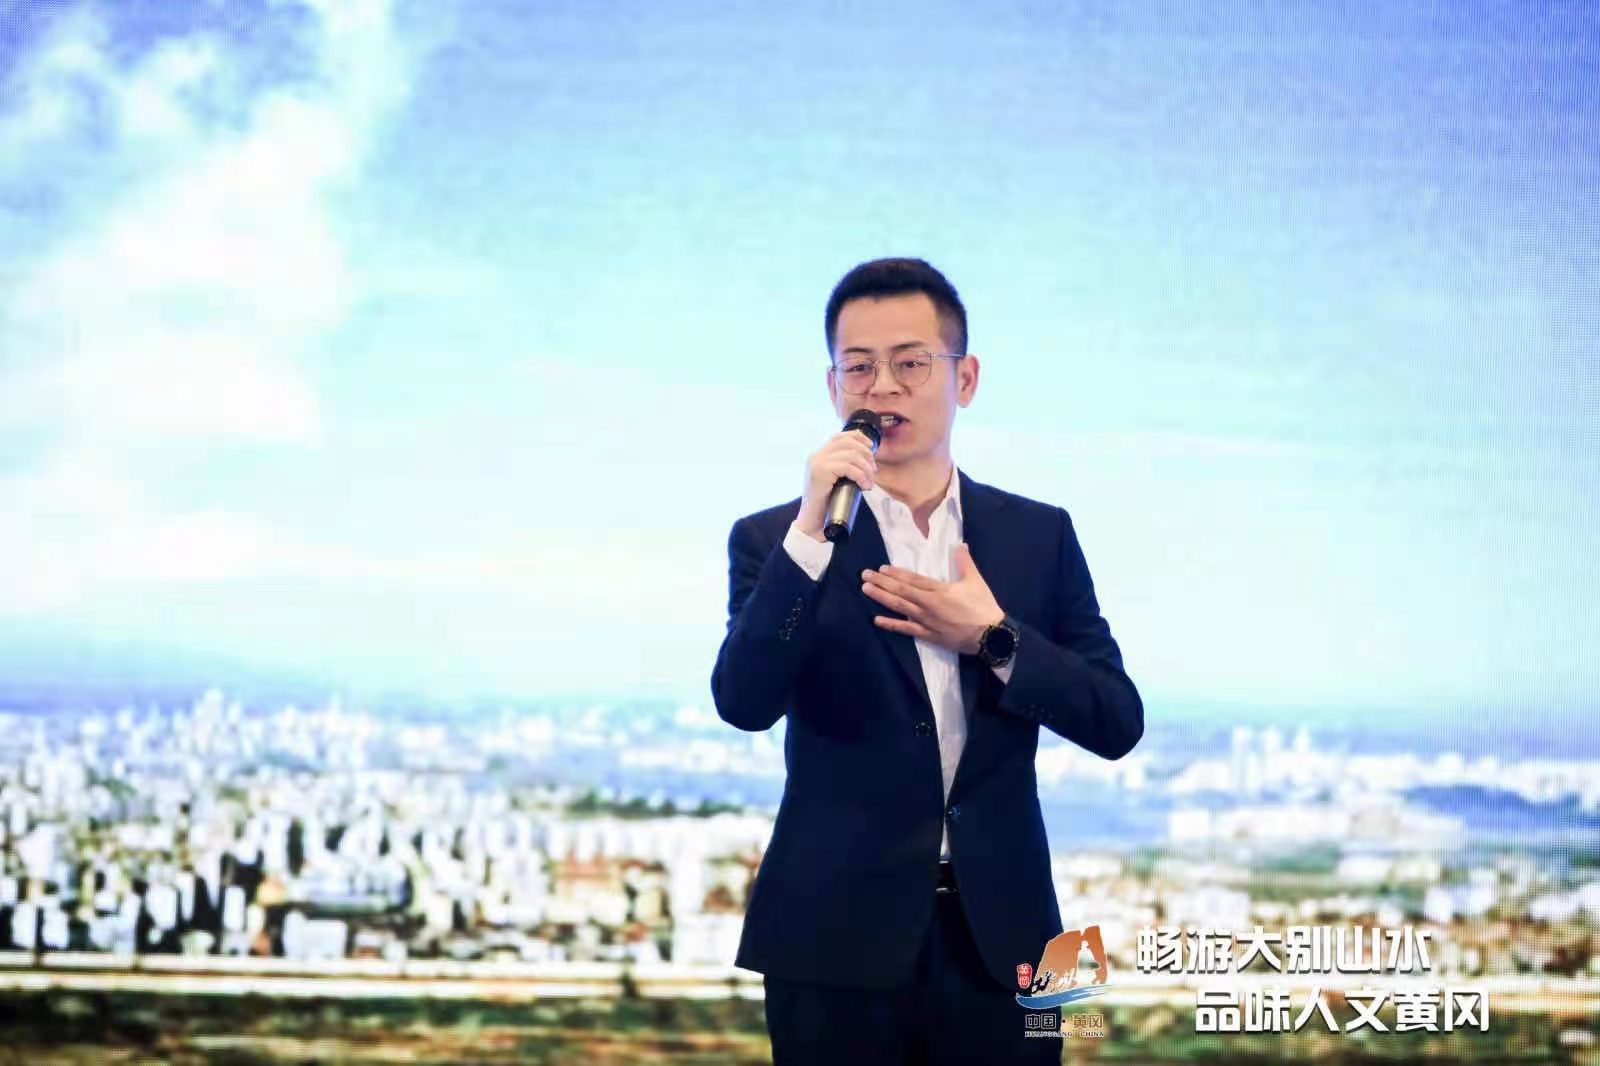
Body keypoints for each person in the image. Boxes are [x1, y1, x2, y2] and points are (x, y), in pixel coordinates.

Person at [711, 257, 1143, 1064]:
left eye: (911, 364)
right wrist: (811, 535)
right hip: (831, 938)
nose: (883, 388)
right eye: (858, 367)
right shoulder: (776, 540)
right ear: (833, 387)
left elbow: (1116, 720)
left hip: (1005, 939)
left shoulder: (1038, 535)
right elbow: (744, 700)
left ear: (964, 378)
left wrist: (993, 638)